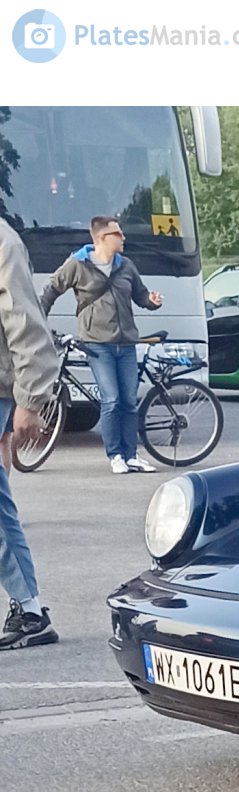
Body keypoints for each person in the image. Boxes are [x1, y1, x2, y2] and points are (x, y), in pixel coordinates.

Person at [39, 215, 163, 474]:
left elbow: (140, 295)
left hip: (126, 343)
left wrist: (152, 301)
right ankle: (115, 455)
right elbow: (50, 291)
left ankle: (132, 456)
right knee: (111, 400)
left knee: (129, 401)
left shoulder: (126, 265)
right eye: (118, 234)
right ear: (101, 238)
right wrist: (40, 323)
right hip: (97, 345)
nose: (123, 237)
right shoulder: (78, 264)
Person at [0, 217, 62, 648]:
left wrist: (31, 399)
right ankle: (30, 607)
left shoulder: (2, 242)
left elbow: (24, 320)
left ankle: (31, 608)